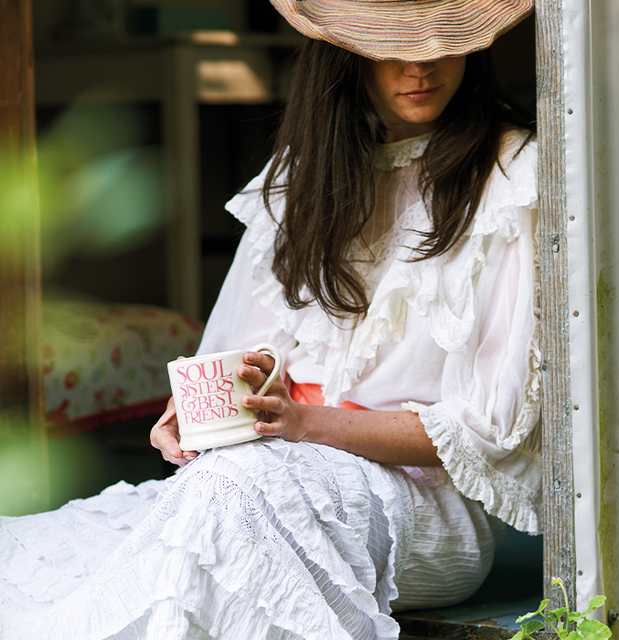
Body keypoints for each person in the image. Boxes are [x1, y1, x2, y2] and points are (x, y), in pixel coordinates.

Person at [0, 0, 540, 638]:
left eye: (437, 42)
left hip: (420, 511)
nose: (417, 67)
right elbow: (237, 355)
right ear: (343, 55)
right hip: (268, 469)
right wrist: (198, 413)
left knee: (231, 497)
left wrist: (308, 423)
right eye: (386, 46)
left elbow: (490, 432)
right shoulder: (303, 174)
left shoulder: (515, 175)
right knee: (38, 553)